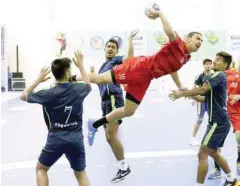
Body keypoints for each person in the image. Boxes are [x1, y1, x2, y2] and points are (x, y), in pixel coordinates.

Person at [71, 4, 203, 142]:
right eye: (197, 38)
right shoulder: (178, 44)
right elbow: (170, 32)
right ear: (188, 38)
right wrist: (160, 14)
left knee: (129, 111)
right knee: (99, 79)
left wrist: (180, 86)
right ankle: (72, 78)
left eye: (202, 41)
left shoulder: (186, 57)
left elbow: (173, 69)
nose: (200, 42)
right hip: (139, 68)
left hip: (146, 79)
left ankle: (94, 124)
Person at [169, 51, 240, 186]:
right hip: (221, 121)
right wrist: (187, 93)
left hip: (218, 122)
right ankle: (232, 180)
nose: (215, 61)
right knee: (213, 152)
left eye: (218, 59)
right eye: (215, 58)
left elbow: (202, 90)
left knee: (202, 153)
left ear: (225, 64)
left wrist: (182, 93)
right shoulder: (219, 77)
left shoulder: (218, 75)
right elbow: (203, 98)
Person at [20, 51, 91, 186]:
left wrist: (38, 79)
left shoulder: (47, 93)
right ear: (66, 74)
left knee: (41, 169)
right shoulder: (78, 89)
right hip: (76, 139)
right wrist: (81, 65)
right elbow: (88, 84)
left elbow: (23, 96)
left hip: (56, 140)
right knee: (81, 174)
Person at [88, 30, 139, 183]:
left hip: (113, 99)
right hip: (105, 102)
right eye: (108, 46)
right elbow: (97, 82)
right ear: (104, 49)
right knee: (109, 137)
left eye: (113, 47)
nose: (110, 49)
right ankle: (123, 167)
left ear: (117, 51)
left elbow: (130, 59)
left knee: (111, 135)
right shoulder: (103, 66)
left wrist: (130, 38)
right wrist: (91, 74)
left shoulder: (116, 60)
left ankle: (124, 168)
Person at [208, 52, 240, 179]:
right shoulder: (226, 73)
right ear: (238, 59)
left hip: (238, 113)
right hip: (223, 112)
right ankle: (217, 169)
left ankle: (239, 160)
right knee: (217, 143)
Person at [189, 59, 213, 146]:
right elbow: (194, 88)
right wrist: (194, 98)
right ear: (203, 65)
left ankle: (210, 139)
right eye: (206, 64)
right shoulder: (199, 76)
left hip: (211, 100)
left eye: (210, 64)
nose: (208, 66)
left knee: (213, 120)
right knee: (200, 119)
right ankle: (192, 138)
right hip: (202, 101)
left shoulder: (214, 75)